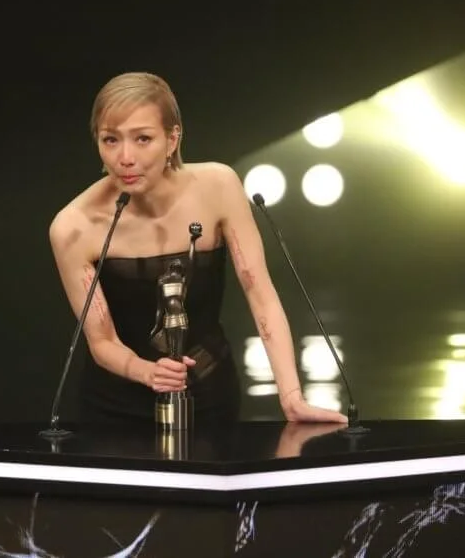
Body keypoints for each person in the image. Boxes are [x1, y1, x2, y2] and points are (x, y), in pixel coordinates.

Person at [48, 72, 347, 427]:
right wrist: (147, 372)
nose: (125, 157)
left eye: (143, 139)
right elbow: (101, 341)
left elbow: (260, 294)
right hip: (115, 406)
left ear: (172, 138)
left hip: (210, 392)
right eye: (110, 139)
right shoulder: (73, 226)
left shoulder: (219, 186)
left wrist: (292, 397)